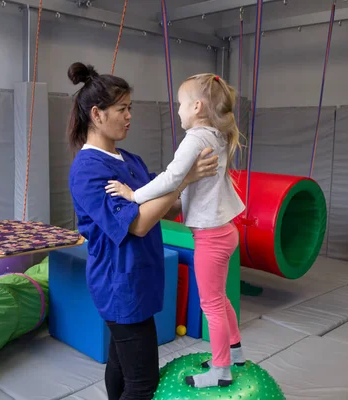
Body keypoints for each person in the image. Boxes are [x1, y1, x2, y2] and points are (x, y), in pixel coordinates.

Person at [66, 62, 219, 400]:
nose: (129, 115)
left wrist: (201, 187)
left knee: (122, 364)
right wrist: (185, 177)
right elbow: (138, 223)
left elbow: (167, 205)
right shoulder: (87, 170)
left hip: (140, 279)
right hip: (119, 285)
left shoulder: (129, 160)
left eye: (130, 108)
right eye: (122, 109)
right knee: (143, 382)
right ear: (97, 114)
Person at [105, 73, 246, 389]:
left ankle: (221, 370)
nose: (178, 110)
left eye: (181, 104)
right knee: (219, 298)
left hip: (210, 236)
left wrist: (133, 195)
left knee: (211, 304)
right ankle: (234, 351)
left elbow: (171, 178)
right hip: (225, 231)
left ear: (197, 107)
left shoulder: (196, 138)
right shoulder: (218, 135)